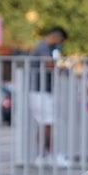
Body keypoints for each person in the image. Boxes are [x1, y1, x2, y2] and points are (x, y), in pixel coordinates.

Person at [29, 26, 68, 167]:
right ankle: (50, 155)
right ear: (56, 37)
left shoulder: (47, 48)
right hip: (40, 91)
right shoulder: (43, 47)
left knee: (43, 123)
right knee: (47, 123)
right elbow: (49, 64)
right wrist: (61, 67)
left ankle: (44, 155)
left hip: (42, 91)